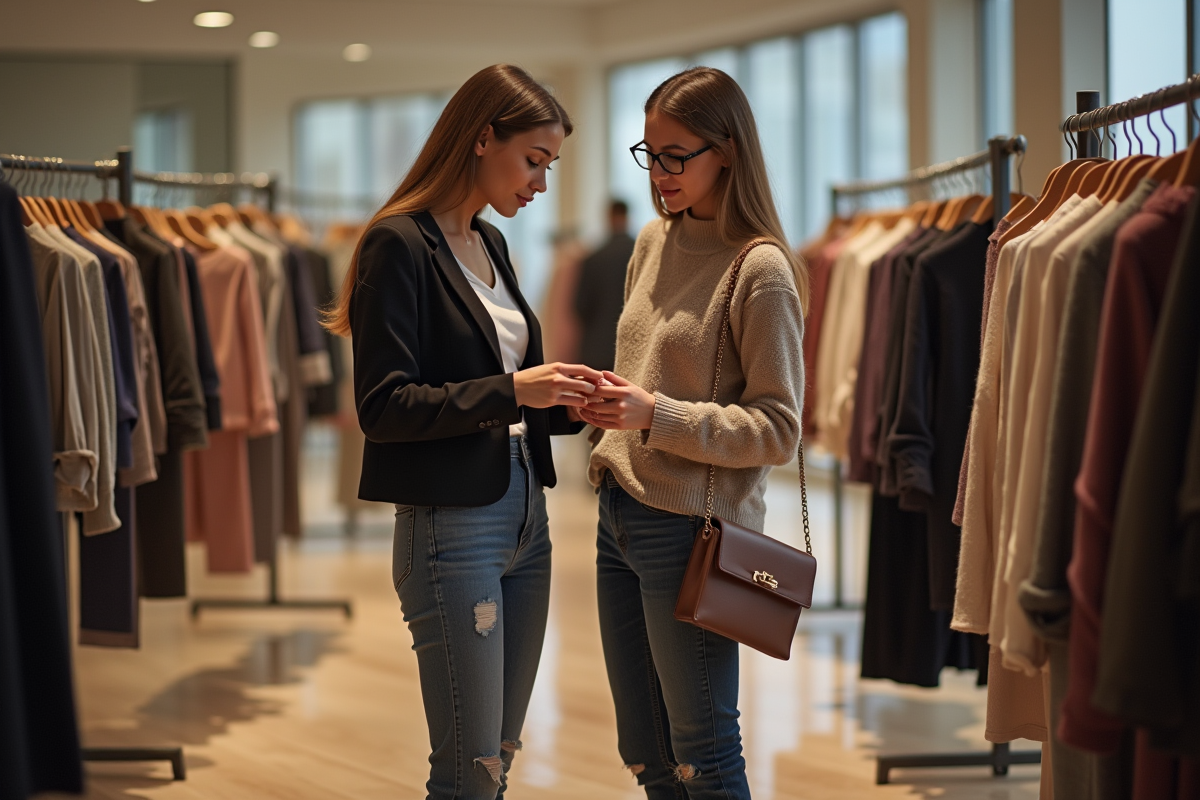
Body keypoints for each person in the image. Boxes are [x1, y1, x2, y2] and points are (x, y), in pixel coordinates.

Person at [323, 64, 601, 800]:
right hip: (452, 527)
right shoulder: (398, 244)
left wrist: (580, 402)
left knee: (497, 757)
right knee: (468, 770)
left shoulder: (491, 245)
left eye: (551, 165)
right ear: (483, 139)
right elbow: (383, 407)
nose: (541, 183)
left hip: (525, 517)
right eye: (533, 160)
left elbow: (512, 397)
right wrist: (513, 389)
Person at [578, 67, 809, 799]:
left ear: (728, 151)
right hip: (620, 514)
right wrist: (610, 411)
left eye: (677, 155)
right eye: (650, 154)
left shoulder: (761, 269)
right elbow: (644, 367)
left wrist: (655, 415)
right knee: (646, 751)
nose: (660, 174)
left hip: (692, 532)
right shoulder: (652, 242)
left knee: (703, 754)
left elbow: (779, 429)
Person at [573, 199, 636, 372]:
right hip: (633, 350)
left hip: (597, 349)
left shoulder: (593, 258)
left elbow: (580, 306)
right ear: (627, 216)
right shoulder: (641, 254)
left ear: (609, 217)